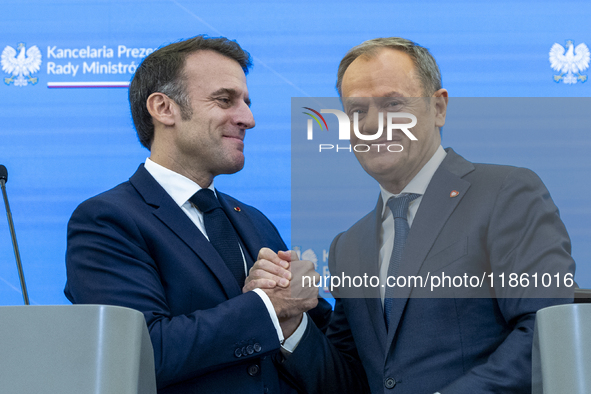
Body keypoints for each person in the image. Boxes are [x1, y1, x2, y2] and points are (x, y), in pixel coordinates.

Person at [246, 37, 576, 393]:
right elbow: (349, 379)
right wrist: (293, 325)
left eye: (392, 104)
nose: (372, 124)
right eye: (357, 111)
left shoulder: (507, 193)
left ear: (439, 108)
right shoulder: (348, 246)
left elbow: (545, 330)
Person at [64, 35, 330, 394]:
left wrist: (294, 321)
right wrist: (268, 307)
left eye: (246, 103)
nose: (248, 119)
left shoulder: (255, 222)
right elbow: (140, 354)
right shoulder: (107, 220)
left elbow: (337, 369)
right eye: (225, 100)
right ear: (163, 108)